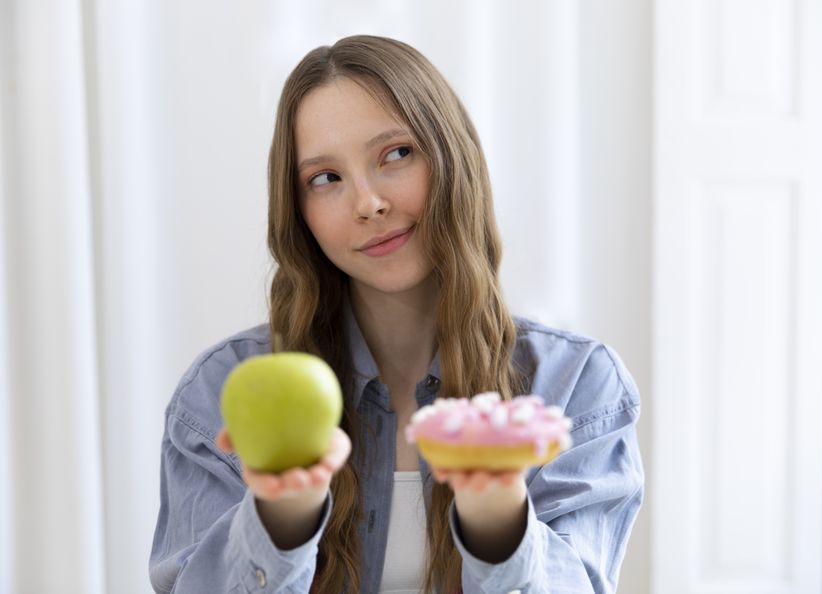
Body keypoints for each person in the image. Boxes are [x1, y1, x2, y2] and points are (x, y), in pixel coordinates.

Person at [150, 35, 644, 594]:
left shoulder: (575, 387)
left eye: (396, 154)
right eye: (325, 179)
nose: (368, 203)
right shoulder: (217, 396)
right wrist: (279, 522)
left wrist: (498, 523)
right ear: (299, 212)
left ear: (452, 158)